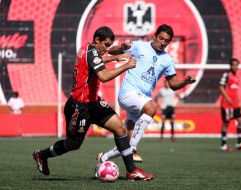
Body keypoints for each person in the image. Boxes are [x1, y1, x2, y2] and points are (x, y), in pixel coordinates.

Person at [32, 26, 153, 181]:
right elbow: (102, 75)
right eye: (106, 45)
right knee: (73, 144)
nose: (107, 48)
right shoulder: (92, 52)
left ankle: (132, 171)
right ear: (97, 40)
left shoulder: (88, 49)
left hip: (93, 103)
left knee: (119, 127)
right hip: (79, 107)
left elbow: (96, 60)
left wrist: (113, 57)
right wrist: (125, 66)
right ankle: (41, 155)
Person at [96, 24, 196, 164]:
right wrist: (123, 47)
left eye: (166, 41)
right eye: (161, 38)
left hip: (141, 99)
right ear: (155, 36)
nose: (163, 42)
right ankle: (133, 149)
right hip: (128, 93)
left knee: (127, 142)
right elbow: (111, 52)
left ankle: (104, 157)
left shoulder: (167, 60)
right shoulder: (139, 46)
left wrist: (185, 82)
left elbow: (173, 84)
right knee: (151, 109)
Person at [219, 58, 241, 152]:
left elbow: (234, 90)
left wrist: (238, 100)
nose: (235, 66)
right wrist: (227, 98)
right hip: (227, 104)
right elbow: (221, 87)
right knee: (226, 124)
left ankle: (239, 143)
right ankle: (223, 146)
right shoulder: (226, 75)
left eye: (237, 65)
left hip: (235, 104)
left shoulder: (236, 76)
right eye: (233, 65)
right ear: (230, 66)